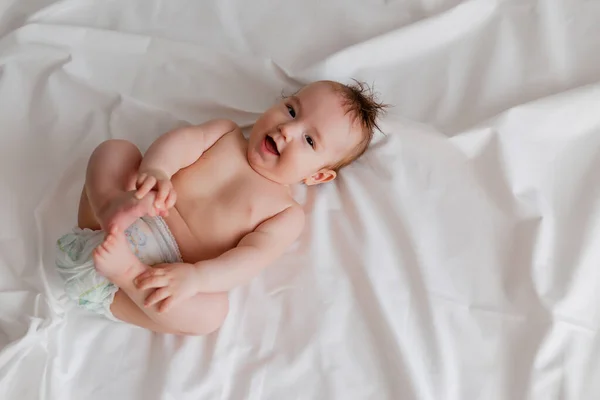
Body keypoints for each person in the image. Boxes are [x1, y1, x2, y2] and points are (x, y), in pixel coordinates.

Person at [56, 80, 387, 335]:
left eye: (310, 140)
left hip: (152, 278)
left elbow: (248, 260)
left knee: (212, 314)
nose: (287, 130)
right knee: (117, 151)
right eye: (291, 110)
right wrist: (156, 171)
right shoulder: (224, 133)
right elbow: (180, 143)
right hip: (110, 223)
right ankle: (109, 206)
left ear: (318, 175)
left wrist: (198, 278)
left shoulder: (285, 214)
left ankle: (127, 272)